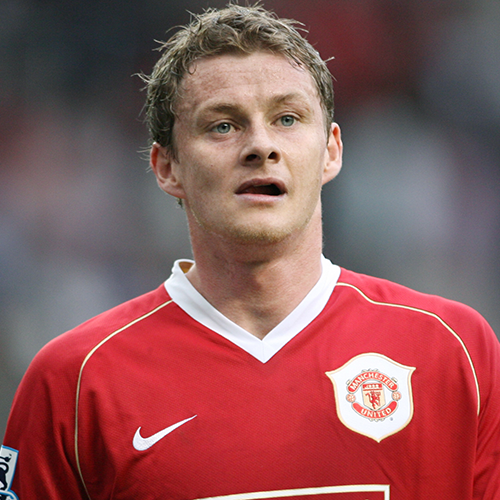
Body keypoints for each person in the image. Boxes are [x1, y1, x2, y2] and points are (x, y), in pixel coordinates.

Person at [1, 4, 500, 499]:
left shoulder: (454, 351)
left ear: (331, 151)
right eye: (223, 125)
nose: (261, 146)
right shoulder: (74, 381)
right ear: (167, 168)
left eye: (287, 118)